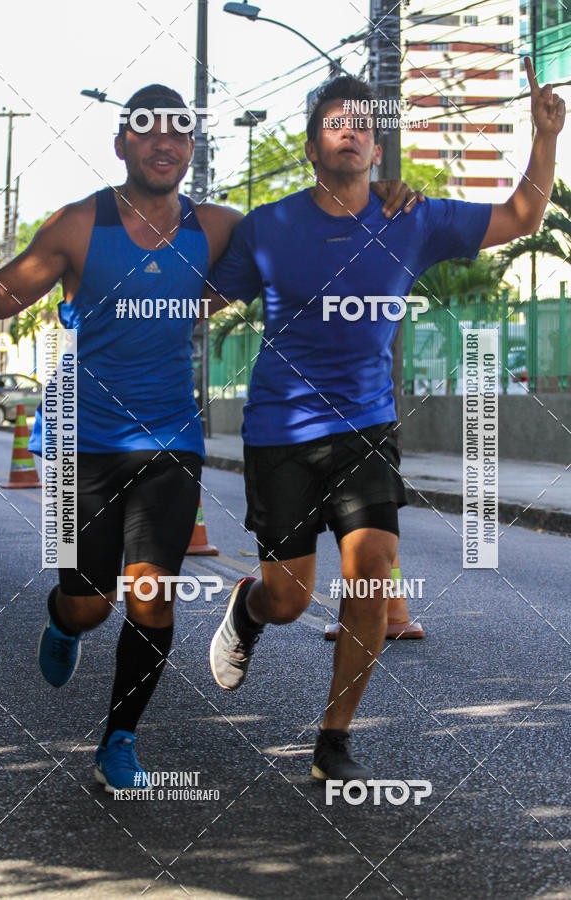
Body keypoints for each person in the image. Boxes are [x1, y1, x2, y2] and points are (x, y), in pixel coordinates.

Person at [0, 84, 417, 791]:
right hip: (82, 444)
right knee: (90, 601)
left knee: (152, 596)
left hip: (170, 442)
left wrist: (382, 191)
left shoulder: (216, 228)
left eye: (179, 132)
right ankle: (63, 621)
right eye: (148, 132)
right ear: (123, 144)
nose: (164, 143)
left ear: (190, 149)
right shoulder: (77, 225)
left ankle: (119, 738)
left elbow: (310, 225)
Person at [207, 60, 565, 781]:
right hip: (280, 431)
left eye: (363, 127)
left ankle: (334, 735)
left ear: (377, 151)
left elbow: (523, 217)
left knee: (370, 573)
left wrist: (546, 134)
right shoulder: (270, 227)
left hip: (366, 428)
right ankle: (249, 610)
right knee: (290, 597)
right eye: (335, 124)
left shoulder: (415, 218)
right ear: (311, 149)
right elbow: (206, 296)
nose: (351, 133)